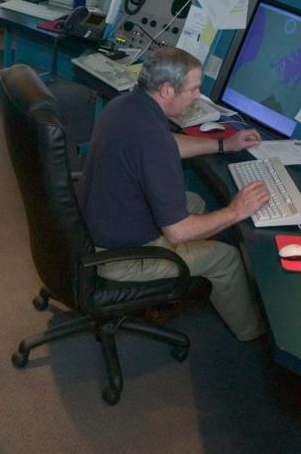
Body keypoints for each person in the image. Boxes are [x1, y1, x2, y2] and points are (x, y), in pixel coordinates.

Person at [77, 46, 269, 341]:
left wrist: (224, 145)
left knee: (196, 202)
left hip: (100, 220)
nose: (197, 96)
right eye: (194, 90)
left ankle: (189, 281)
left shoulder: (128, 105)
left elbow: (168, 143)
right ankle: (253, 333)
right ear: (167, 90)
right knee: (227, 258)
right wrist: (236, 210)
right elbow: (178, 231)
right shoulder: (150, 140)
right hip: (120, 257)